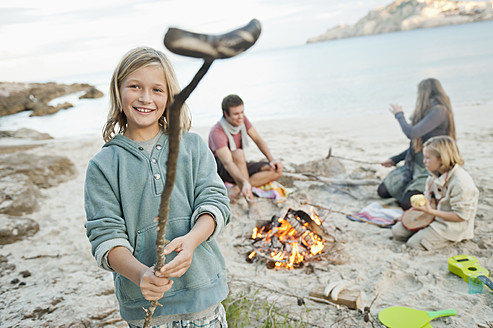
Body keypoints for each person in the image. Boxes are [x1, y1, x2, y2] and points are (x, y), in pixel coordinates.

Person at [84, 46, 231, 327]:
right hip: (145, 309)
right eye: (135, 86)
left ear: (170, 96)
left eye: (157, 90)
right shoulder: (103, 165)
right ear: (118, 91)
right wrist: (141, 274)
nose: (145, 98)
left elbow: (215, 202)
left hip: (204, 297)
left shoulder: (192, 146)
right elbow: (105, 236)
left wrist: (192, 241)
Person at [378, 78, 457, 210]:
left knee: (407, 204)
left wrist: (399, 115)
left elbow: (412, 133)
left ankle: (431, 196)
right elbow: (415, 145)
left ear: (423, 93)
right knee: (383, 192)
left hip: (431, 167)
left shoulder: (439, 111)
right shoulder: (427, 112)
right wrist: (395, 159)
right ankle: (412, 190)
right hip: (416, 164)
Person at [392, 136, 479, 250]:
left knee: (413, 244)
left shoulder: (461, 182)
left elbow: (461, 216)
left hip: (452, 224)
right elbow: (427, 202)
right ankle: (424, 233)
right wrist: (408, 214)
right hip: (432, 216)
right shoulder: (434, 175)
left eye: (428, 158)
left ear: (442, 159)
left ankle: (453, 239)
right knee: (397, 232)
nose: (424, 161)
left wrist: (431, 211)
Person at [208, 94, 283, 199]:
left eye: (242, 112)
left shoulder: (242, 120)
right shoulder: (217, 132)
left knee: (275, 170)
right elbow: (228, 163)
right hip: (223, 169)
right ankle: (251, 200)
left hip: (240, 163)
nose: (240, 117)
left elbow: (257, 139)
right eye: (236, 114)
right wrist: (243, 181)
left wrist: (272, 160)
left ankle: (238, 188)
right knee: (238, 153)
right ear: (226, 114)